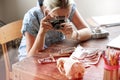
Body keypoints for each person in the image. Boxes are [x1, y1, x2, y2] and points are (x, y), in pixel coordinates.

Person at [18, 0, 92, 61]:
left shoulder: (67, 6)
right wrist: (41, 33)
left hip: (54, 55)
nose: (64, 19)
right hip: (30, 62)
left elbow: (88, 31)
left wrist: (73, 34)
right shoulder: (32, 17)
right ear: (47, 12)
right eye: (58, 17)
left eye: (67, 15)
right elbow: (30, 57)